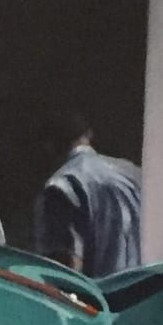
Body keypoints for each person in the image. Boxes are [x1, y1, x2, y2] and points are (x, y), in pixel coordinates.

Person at [33, 113, 142, 277]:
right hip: (141, 289)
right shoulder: (132, 174)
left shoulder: (62, 185)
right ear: (88, 135)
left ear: (49, 146)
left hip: (96, 294)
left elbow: (62, 261)